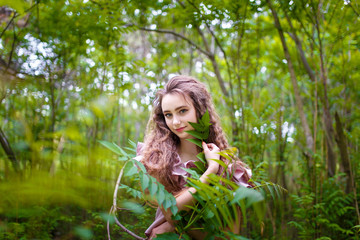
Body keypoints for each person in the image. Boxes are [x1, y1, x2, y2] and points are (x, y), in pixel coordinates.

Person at [135, 75, 252, 239]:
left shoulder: (228, 168)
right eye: (168, 114)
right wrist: (210, 172)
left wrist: (173, 227)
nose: (175, 122)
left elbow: (230, 235)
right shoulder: (160, 161)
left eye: (182, 111)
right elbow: (170, 212)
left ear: (200, 110)